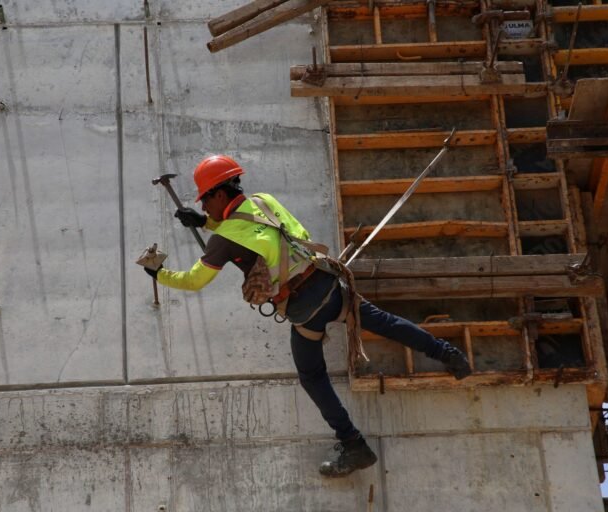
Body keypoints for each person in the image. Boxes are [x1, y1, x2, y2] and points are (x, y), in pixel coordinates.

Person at [143, 155, 472, 477]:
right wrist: (204, 224)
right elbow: (254, 227)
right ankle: (449, 355)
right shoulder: (264, 201)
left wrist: (159, 273)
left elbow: (194, 280)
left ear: (218, 193)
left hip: (304, 308)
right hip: (328, 283)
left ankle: (353, 444)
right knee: (384, 322)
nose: (203, 208)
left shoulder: (222, 241)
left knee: (312, 375)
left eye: (205, 202)